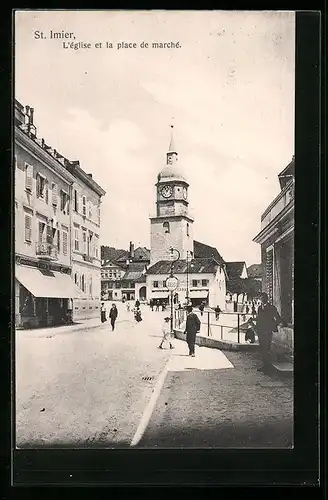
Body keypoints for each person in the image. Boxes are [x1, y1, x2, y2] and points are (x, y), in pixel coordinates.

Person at [255, 292, 283, 371]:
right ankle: (264, 365)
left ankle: (268, 366)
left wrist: (273, 326)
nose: (262, 299)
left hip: (267, 331)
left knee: (267, 348)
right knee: (262, 348)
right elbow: (259, 318)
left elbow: (277, 317)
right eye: (261, 298)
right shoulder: (259, 308)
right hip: (261, 331)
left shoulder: (271, 308)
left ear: (266, 299)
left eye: (264, 298)